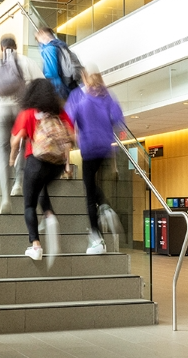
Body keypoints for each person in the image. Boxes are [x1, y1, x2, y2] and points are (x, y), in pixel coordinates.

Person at [0, 34, 43, 213]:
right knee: (22, 145)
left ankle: (5, 198)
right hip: (21, 111)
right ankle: (18, 182)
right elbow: (42, 85)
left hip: (0, 112)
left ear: (1, 47)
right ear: (16, 46)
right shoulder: (27, 62)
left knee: (3, 152)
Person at [9, 79, 75, 265]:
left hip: (36, 161)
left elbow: (16, 141)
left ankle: (36, 246)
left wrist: (12, 158)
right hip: (56, 164)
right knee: (42, 186)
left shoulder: (28, 112)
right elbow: (71, 138)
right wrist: (68, 165)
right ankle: (49, 215)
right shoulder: (60, 112)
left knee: (29, 203)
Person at [63, 68, 124, 254]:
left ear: (86, 81)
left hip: (89, 148)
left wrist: (67, 156)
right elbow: (119, 119)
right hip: (106, 148)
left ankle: (97, 238)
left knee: (89, 192)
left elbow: (68, 122)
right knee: (94, 182)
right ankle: (105, 208)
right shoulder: (108, 97)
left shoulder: (79, 97)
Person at [35, 27, 71, 100]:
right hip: (68, 84)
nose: (38, 41)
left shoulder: (48, 49)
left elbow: (51, 72)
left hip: (57, 86)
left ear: (42, 33)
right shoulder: (61, 45)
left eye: (37, 38)